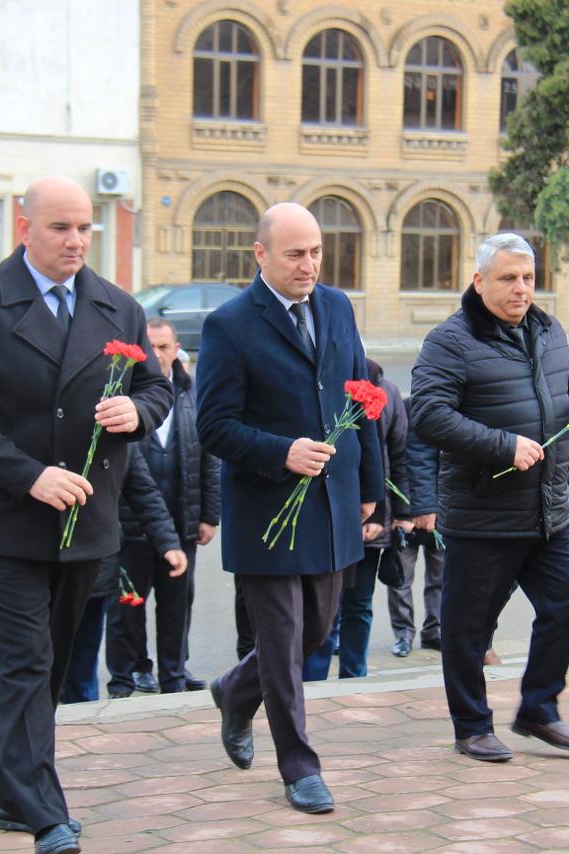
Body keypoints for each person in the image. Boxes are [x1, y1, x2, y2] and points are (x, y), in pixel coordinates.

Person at [0, 175, 171, 854]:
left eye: (85, 228)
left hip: (87, 523)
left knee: (55, 665)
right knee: (26, 664)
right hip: (5, 525)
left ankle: (14, 797)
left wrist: (137, 413)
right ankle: (44, 813)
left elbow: (155, 387)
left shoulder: (117, 307)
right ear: (25, 227)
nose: (76, 241)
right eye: (61, 228)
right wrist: (29, 475)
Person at [196, 202, 382, 814]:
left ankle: (234, 689)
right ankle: (300, 767)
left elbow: (364, 398)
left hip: (332, 505)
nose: (310, 265)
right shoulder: (229, 325)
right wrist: (283, 453)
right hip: (266, 514)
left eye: (316, 252)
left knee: (315, 635)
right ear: (261, 254)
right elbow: (215, 426)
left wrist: (370, 485)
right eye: (296, 253)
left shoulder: (336, 306)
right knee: (281, 641)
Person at [410, 232, 569, 763]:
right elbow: (428, 415)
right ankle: (472, 726)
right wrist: (502, 446)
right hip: (484, 510)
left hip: (549, 508)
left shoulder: (548, 329)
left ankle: (539, 710)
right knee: (469, 627)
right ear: (479, 281)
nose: (521, 288)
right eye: (508, 278)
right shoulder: (449, 341)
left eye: (528, 278)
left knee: (568, 600)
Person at [106, 317, 220, 698]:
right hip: (131, 528)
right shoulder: (121, 399)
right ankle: (130, 672)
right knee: (127, 607)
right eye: (150, 347)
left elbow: (210, 460)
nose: (157, 354)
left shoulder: (192, 397)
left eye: (164, 347)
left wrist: (209, 516)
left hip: (182, 523)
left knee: (176, 607)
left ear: (176, 351)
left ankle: (174, 672)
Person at [65, 451, 186, 704]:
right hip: (37, 564)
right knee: (35, 655)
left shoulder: (116, 435)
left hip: (94, 564)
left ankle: (79, 713)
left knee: (82, 659)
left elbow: (144, 492)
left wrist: (168, 543)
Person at [334, 358, 409, 678]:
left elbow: (398, 456)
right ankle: (311, 676)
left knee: (359, 603)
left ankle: (353, 674)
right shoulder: (323, 385)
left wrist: (398, 515)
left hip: (371, 520)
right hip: (329, 517)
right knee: (323, 608)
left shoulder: (386, 391)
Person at [387, 399, 444, 657]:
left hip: (444, 509)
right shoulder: (404, 409)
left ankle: (435, 631)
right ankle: (403, 634)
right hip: (406, 508)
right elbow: (398, 462)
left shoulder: (451, 408)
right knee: (401, 577)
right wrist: (403, 511)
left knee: (441, 577)